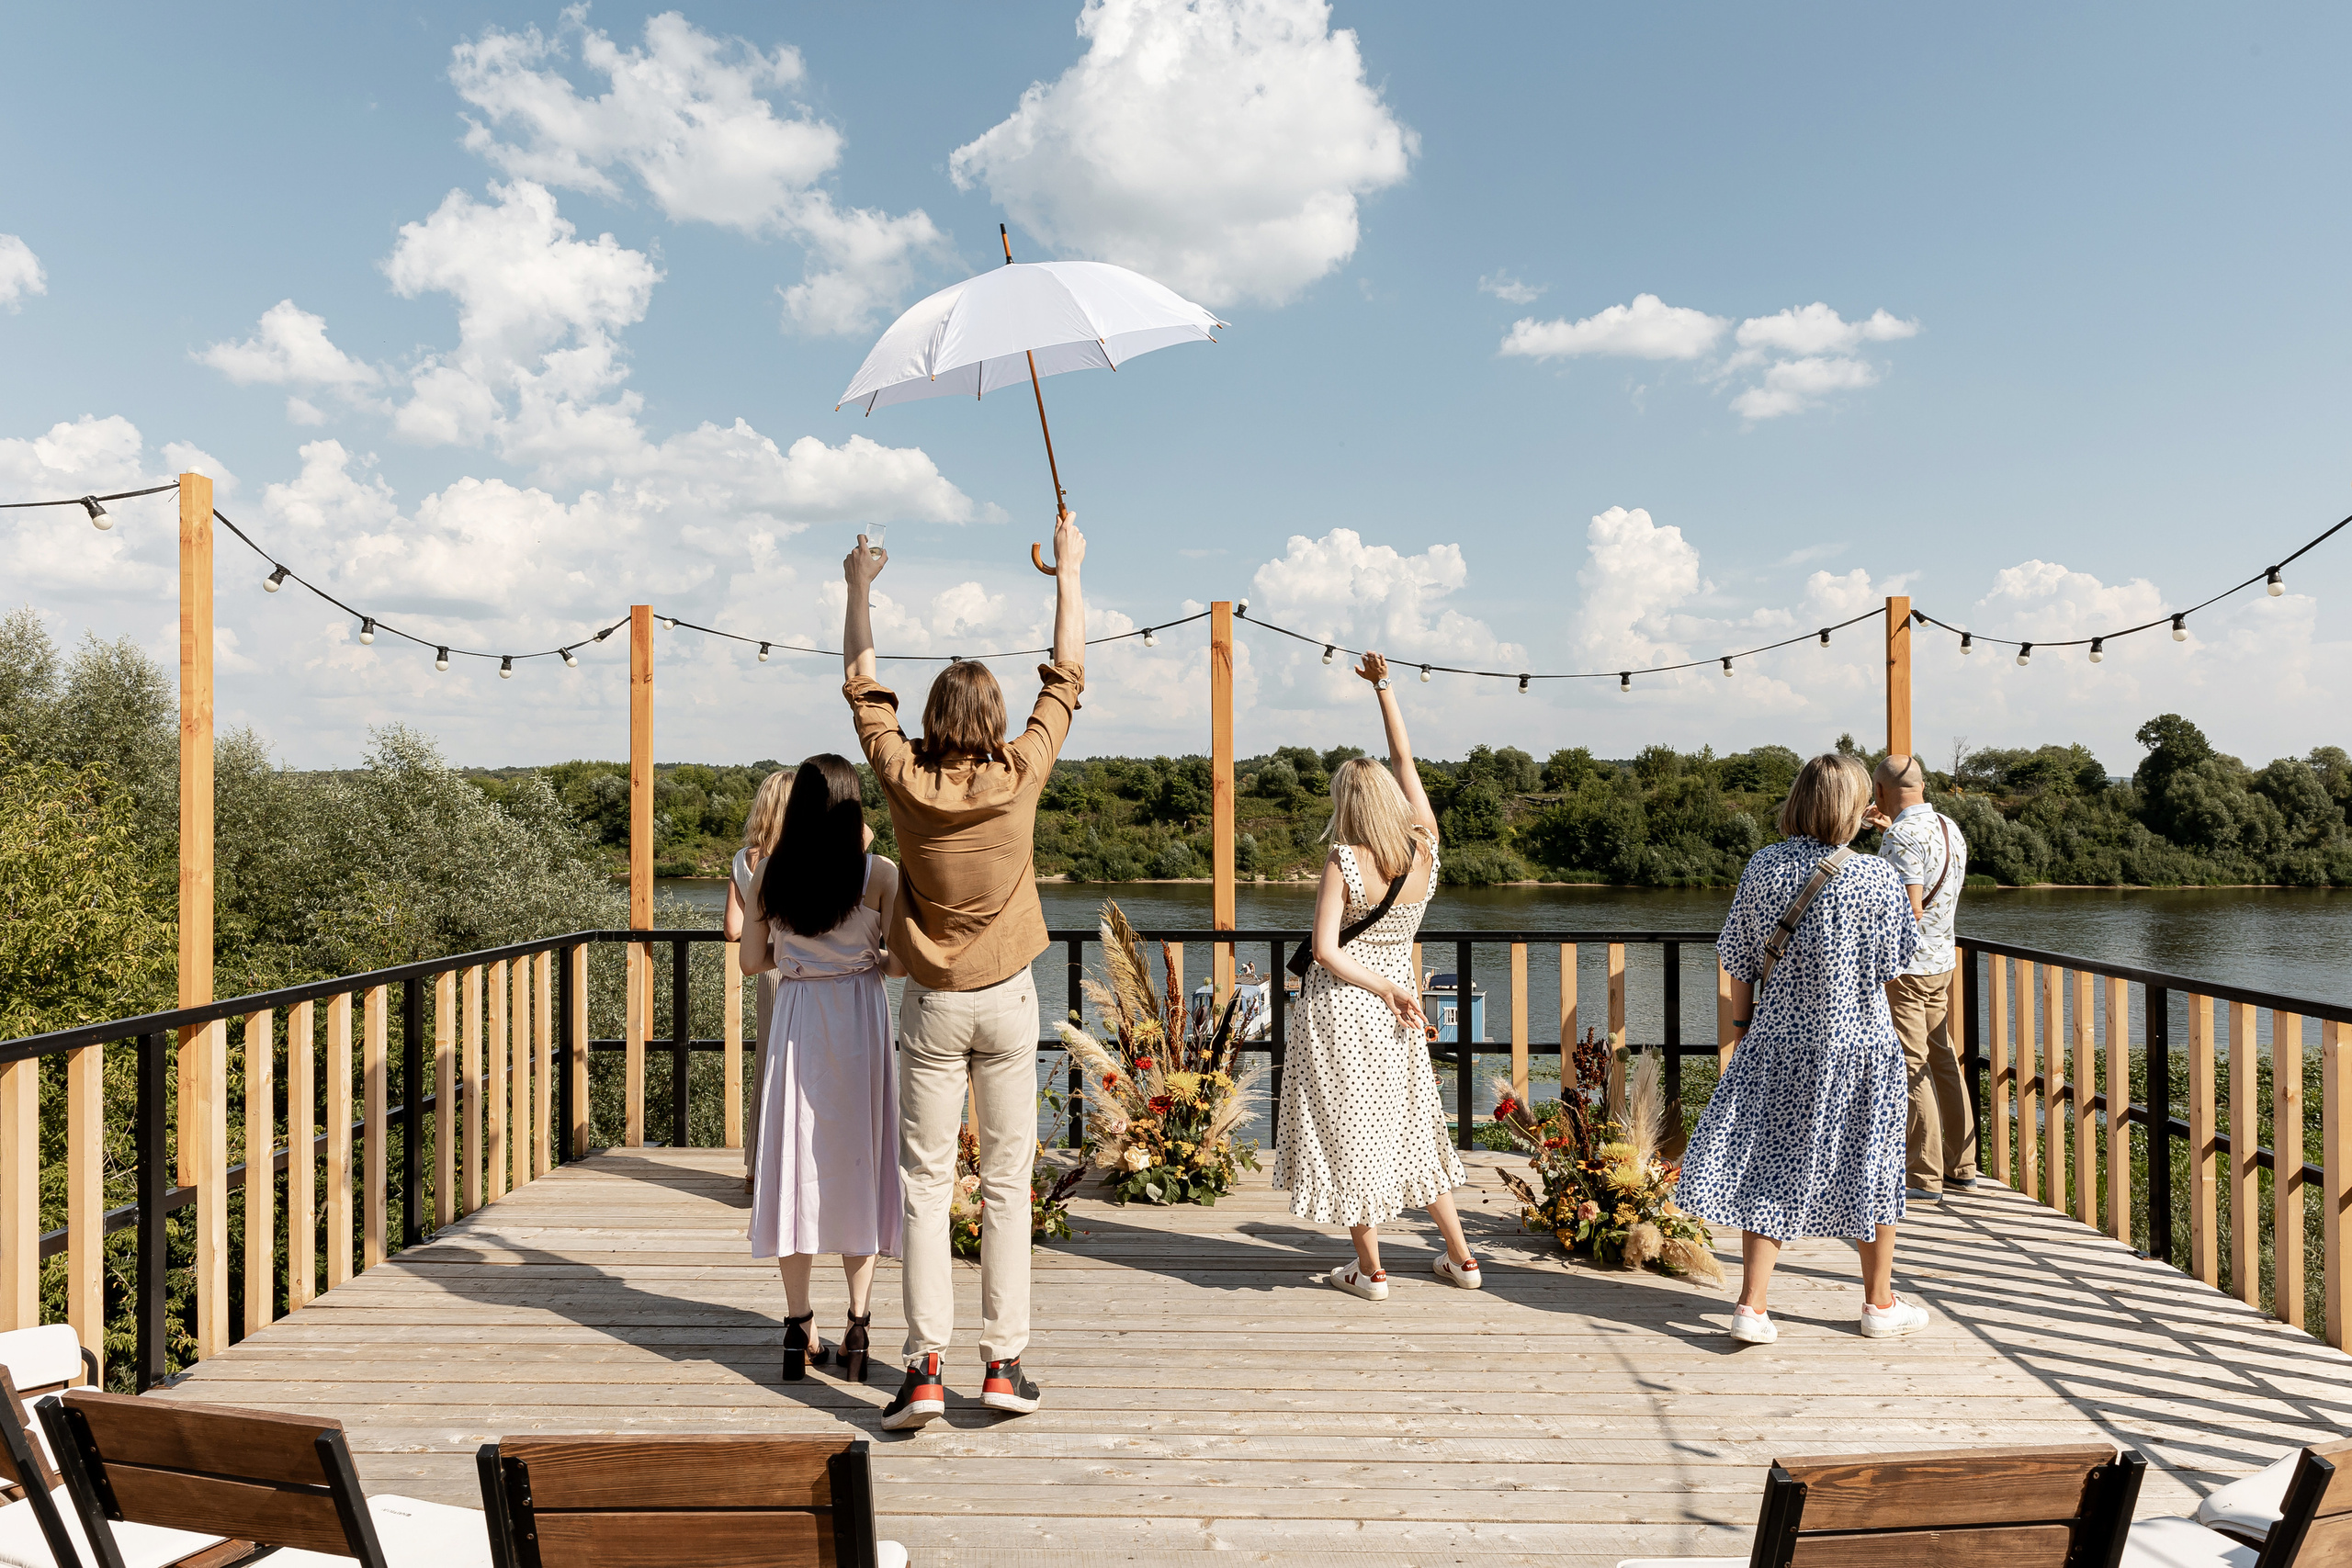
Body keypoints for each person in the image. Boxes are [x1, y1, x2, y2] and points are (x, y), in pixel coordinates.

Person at [841, 511, 1087, 1431]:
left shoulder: (905, 781)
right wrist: (1068, 570)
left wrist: (859, 587)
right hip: (1008, 1000)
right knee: (1008, 1183)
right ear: (993, 721)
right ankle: (1004, 1365)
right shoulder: (1021, 773)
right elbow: (1068, 674)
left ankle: (923, 1372)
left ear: (934, 720)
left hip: (933, 1003)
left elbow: (864, 685)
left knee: (925, 1183)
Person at [1677, 752, 1930, 1344]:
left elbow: (1738, 957)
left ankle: (1752, 1306)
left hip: (1779, 1041)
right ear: (1857, 808)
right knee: (1872, 1163)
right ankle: (1879, 1304)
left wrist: (1743, 1025)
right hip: (1859, 1046)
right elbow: (1897, 961)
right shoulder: (1877, 878)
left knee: (1769, 1162)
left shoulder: (1762, 866)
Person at [1272, 651, 1480, 1302]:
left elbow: (1324, 949)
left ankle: (1372, 1271)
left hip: (1344, 1008)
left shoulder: (1345, 859)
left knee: (1347, 1134)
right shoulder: (1425, 846)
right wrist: (1384, 688)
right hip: (1401, 1010)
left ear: (1345, 805)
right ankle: (1464, 1259)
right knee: (1413, 1130)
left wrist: (1381, 986)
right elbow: (1404, 758)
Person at [738, 754, 904, 1385]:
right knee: (859, 1163)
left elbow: (752, 961)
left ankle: (797, 1325)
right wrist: (865, 957)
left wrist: (799, 956)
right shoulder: (878, 873)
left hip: (799, 1018)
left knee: (796, 1166)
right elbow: (899, 964)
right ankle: (858, 1325)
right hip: (859, 1017)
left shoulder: (770, 873)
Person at [1863, 753, 1976, 1200]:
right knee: (1943, 1058)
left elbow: (1909, 909)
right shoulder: (1948, 827)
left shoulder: (1901, 838)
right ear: (1922, 785)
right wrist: (1887, 830)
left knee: (1912, 1065)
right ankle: (1961, 1165)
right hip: (1941, 962)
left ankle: (1923, 1175)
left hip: (1907, 969)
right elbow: (1927, 873)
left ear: (1879, 791)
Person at [728, 770, 792, 1194]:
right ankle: (791, 1169)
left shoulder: (744, 860)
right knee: (798, 1067)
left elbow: (734, 929)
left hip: (764, 970)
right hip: (800, 969)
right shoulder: (800, 857)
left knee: (768, 1065)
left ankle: (757, 1167)